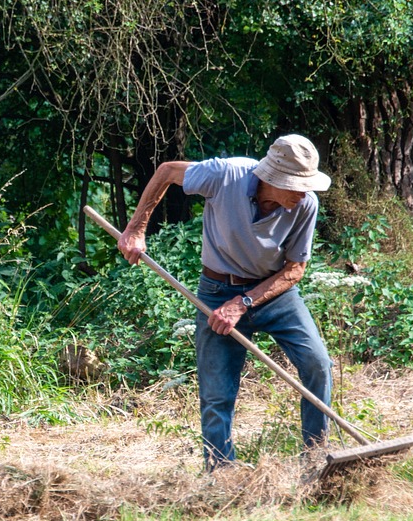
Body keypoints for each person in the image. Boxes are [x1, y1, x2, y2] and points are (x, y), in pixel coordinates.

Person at [118, 135, 334, 470]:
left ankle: (317, 461)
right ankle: (221, 472)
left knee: (317, 363)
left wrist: (244, 302)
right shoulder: (226, 175)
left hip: (273, 293)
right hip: (217, 292)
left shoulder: (305, 205)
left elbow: (295, 270)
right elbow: (166, 172)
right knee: (216, 391)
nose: (303, 193)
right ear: (273, 178)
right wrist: (136, 229)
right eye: (296, 185)